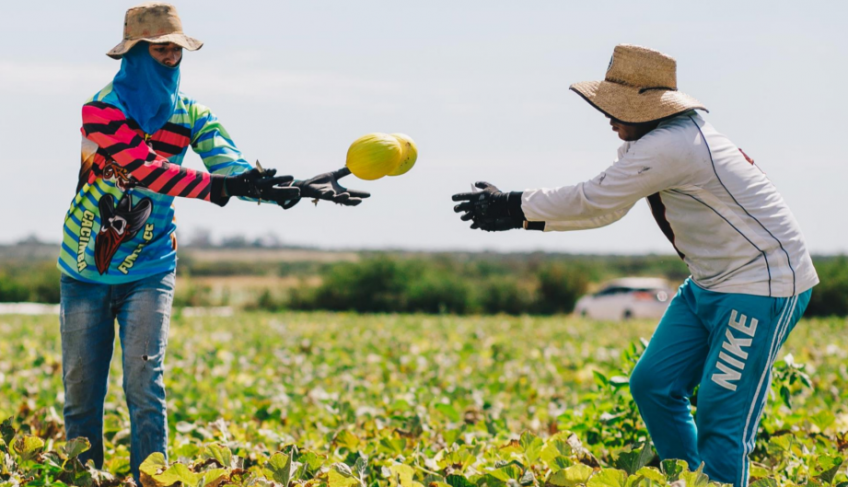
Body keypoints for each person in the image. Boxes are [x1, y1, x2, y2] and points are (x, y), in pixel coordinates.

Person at [452, 44, 818, 487]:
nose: (609, 117)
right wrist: (519, 215)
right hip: (710, 282)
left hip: (762, 286)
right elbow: (606, 207)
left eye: (618, 107)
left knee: (723, 417)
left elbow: (595, 198)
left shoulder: (672, 146)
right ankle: (692, 480)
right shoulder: (655, 140)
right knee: (653, 384)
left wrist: (513, 206)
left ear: (651, 108)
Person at [57, 2, 369, 480]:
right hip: (84, 267)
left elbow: (231, 167)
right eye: (160, 49)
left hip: (152, 266)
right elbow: (147, 171)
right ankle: (80, 477)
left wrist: (289, 189)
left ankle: (151, 479)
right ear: (135, 53)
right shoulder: (100, 111)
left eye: (176, 51)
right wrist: (224, 189)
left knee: (145, 385)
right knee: (82, 391)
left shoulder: (193, 113)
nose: (169, 59)